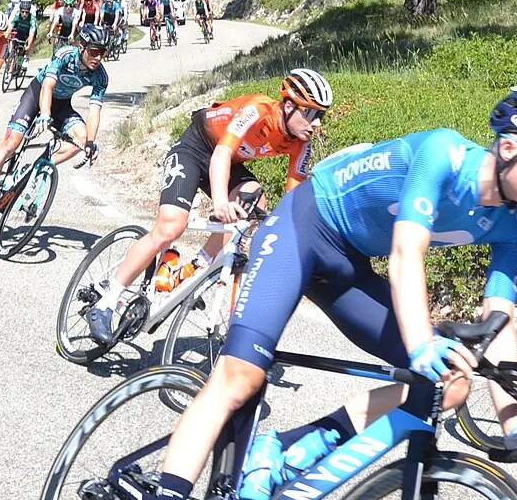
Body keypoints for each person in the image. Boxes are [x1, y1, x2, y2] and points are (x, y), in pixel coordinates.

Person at [139, 86, 517, 500]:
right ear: (510, 147)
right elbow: (404, 254)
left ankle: (288, 452)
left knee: (448, 387)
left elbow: (501, 318)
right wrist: (421, 345)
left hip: (346, 264)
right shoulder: (444, 154)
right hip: (302, 229)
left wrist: (515, 424)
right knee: (239, 380)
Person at [84, 70, 334, 343]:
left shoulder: (301, 141)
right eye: (312, 114)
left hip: (229, 164)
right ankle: (107, 301)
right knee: (171, 226)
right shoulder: (258, 110)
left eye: (322, 114)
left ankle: (192, 270)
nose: (317, 124)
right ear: (289, 106)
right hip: (195, 149)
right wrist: (219, 202)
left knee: (255, 203)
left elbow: (295, 194)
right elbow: (222, 153)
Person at [0, 24, 111, 231]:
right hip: (36, 94)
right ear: (81, 46)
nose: (99, 58)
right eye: (94, 51)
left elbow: (94, 112)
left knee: (81, 140)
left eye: (103, 52)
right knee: (11, 143)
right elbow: (47, 86)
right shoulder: (65, 54)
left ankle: (35, 168)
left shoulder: (100, 76)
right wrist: (45, 115)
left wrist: (91, 143)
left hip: (62, 104)